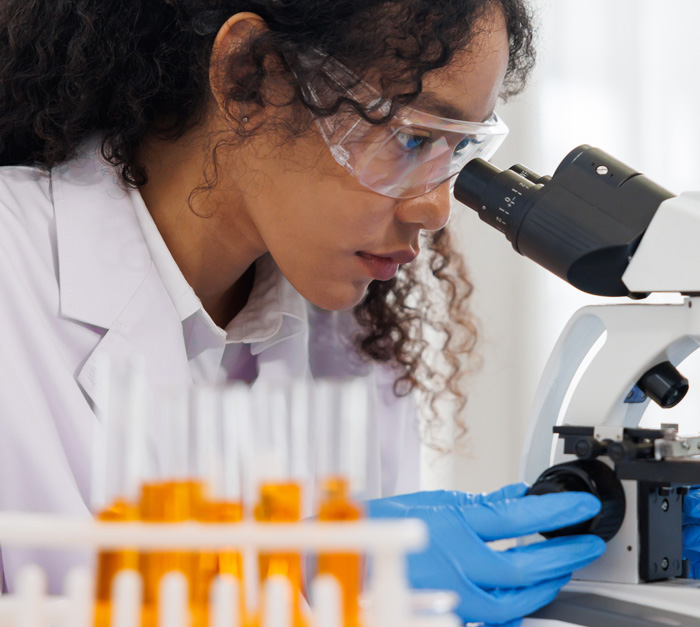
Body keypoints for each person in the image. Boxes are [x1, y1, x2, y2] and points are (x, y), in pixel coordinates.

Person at [0, 0, 622, 624]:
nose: (435, 210)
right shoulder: (13, 272)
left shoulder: (353, 337)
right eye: (412, 137)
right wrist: (301, 570)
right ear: (251, 78)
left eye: (456, 151)